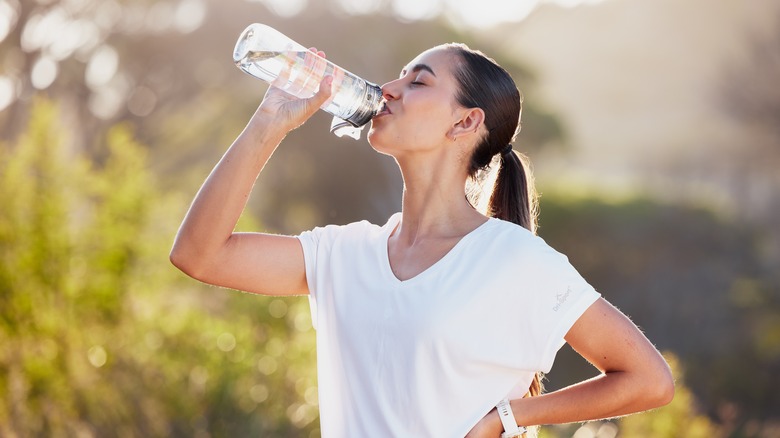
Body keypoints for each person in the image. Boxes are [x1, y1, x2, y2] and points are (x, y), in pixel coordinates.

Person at [170, 43, 674, 437]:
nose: (388, 89)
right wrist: (270, 121)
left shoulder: (515, 260)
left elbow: (648, 379)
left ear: (466, 121)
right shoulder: (344, 254)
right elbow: (199, 254)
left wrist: (509, 416)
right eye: (399, 78)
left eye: (418, 82)